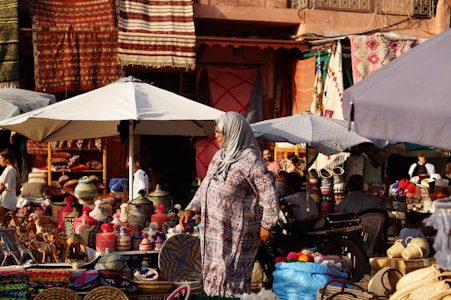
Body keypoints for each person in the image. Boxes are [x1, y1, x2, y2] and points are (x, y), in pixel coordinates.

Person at [179, 111, 279, 297]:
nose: (216, 136)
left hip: (237, 233)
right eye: (216, 131)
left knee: (231, 278)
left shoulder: (251, 161)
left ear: (234, 132)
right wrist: (191, 208)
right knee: (213, 274)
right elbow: (206, 185)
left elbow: (269, 193)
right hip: (214, 231)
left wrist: (267, 225)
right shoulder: (219, 157)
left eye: (220, 132)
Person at [0, 148, 20, 227]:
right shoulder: (11, 170)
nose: (0, 160)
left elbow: (2, 187)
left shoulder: (9, 170)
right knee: (4, 223)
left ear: (7, 160)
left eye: (1, 158)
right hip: (9, 198)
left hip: (7, 200)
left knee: (2, 223)